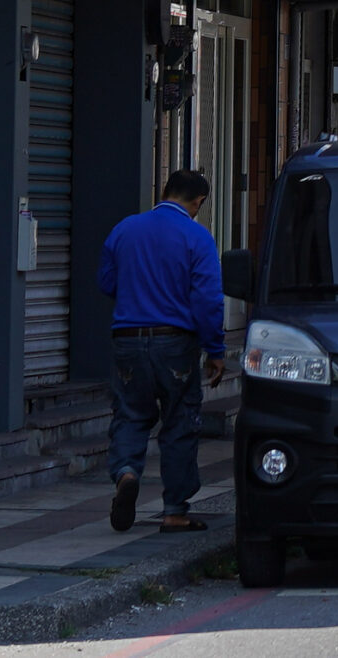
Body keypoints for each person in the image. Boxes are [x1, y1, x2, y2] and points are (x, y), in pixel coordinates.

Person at [96, 171, 226, 532]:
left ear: (164, 192)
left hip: (127, 338)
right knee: (180, 423)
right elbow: (207, 300)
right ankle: (174, 511)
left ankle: (125, 473)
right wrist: (215, 349)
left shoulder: (125, 229)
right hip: (175, 342)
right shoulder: (197, 237)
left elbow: (106, 282)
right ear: (199, 202)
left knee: (130, 415)